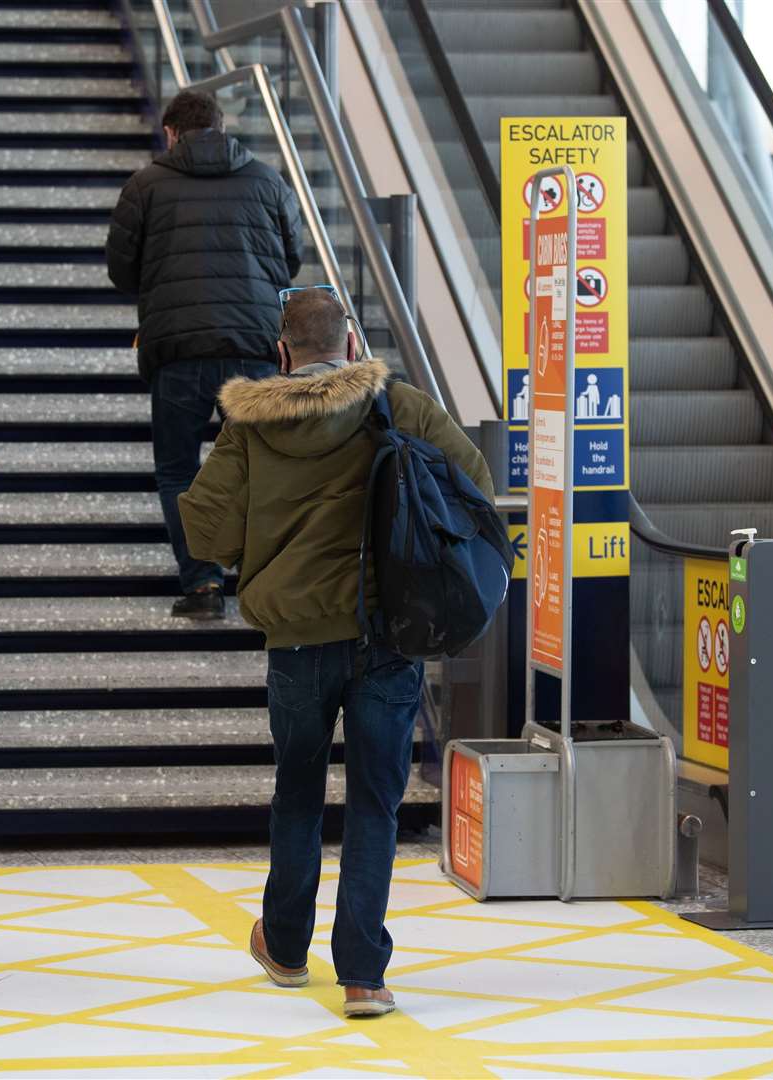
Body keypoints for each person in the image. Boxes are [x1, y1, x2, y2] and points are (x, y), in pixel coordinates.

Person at [178, 288, 492, 1018]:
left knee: (297, 790)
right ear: (351, 346)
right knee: (376, 802)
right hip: (387, 634)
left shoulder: (251, 426)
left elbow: (205, 531)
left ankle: (285, 948)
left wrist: (266, 534)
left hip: (295, 639)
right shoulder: (397, 406)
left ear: (281, 353)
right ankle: (363, 976)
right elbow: (474, 480)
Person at [107, 88, 304, 621]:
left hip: (178, 350)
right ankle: (266, 586)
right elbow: (292, 258)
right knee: (263, 466)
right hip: (254, 349)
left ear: (171, 132)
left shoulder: (145, 185)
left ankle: (202, 586)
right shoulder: (267, 180)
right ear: (221, 127)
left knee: (177, 470)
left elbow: (121, 271)